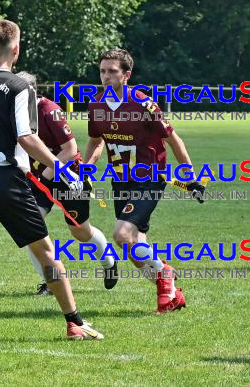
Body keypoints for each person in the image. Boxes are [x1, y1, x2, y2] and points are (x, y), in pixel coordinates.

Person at [0, 19, 103, 341]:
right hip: (8, 179)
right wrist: (59, 167)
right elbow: (26, 138)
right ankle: (74, 322)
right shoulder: (19, 87)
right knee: (46, 252)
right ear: (17, 50)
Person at [84, 49, 205, 314]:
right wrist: (84, 172)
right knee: (135, 248)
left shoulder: (143, 104)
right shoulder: (96, 104)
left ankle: (165, 274)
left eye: (112, 71)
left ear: (126, 75)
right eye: (102, 71)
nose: (106, 76)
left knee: (122, 234)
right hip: (120, 181)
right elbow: (95, 142)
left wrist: (191, 176)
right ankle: (173, 293)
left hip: (148, 178)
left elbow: (173, 140)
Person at [15, 71, 117, 295]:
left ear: (32, 92)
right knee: (30, 227)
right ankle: (50, 282)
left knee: (80, 231)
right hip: (40, 177)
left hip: (69, 176)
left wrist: (47, 175)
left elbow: (70, 151)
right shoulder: (15, 112)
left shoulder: (48, 110)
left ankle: (109, 261)